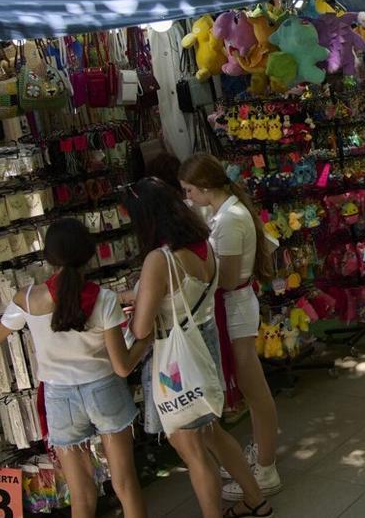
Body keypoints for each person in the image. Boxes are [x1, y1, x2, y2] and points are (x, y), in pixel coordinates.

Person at [123, 178, 272, 518]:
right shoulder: (202, 243)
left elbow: (143, 326)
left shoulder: (160, 260)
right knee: (212, 432)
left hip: (174, 360)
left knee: (191, 448)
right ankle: (255, 498)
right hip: (203, 346)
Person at [0, 219, 150, 518]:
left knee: (82, 495)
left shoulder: (28, 299)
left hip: (59, 400)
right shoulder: (104, 299)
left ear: (48, 258)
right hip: (104, 391)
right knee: (125, 484)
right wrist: (147, 339)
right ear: (89, 254)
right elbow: (123, 367)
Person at [178, 154, 282, 502]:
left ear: (205, 187)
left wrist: (189, 270)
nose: (188, 197)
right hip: (235, 307)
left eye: (190, 190)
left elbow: (222, 277)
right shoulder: (226, 212)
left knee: (256, 392)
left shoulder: (230, 220)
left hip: (236, 310)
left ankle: (266, 468)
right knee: (253, 390)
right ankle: (260, 458)